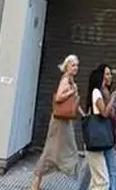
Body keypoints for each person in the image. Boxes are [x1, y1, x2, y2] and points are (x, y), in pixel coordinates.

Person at [31, 54, 82, 190]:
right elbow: (58, 97)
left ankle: (38, 182)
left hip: (65, 121)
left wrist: (83, 114)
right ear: (67, 66)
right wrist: (70, 93)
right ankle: (36, 183)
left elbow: (73, 102)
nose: (76, 68)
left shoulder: (70, 80)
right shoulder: (65, 80)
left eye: (77, 65)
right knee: (53, 149)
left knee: (63, 149)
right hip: (60, 122)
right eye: (73, 65)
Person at [78, 64, 116, 190]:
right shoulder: (97, 92)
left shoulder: (102, 92)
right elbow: (104, 113)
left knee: (97, 179)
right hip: (97, 140)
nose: (109, 78)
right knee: (102, 181)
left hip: (100, 140)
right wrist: (113, 97)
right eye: (106, 75)